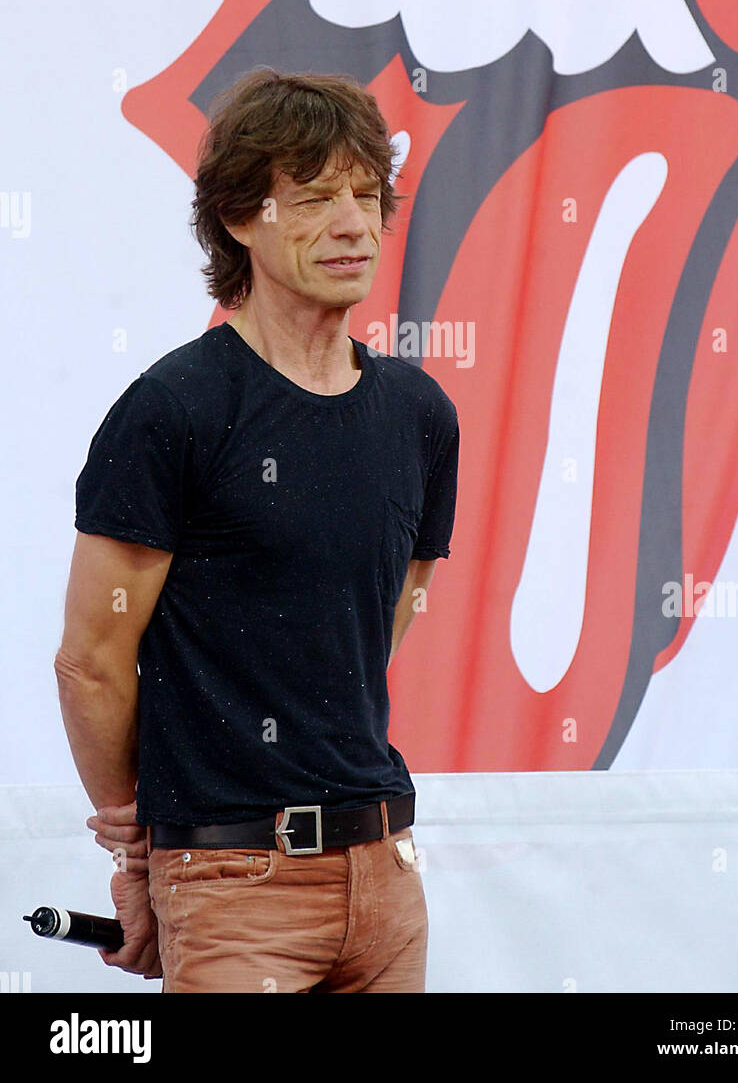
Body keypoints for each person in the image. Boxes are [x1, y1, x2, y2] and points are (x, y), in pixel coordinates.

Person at [55, 68, 459, 993]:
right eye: (314, 198)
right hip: (235, 882)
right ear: (241, 219)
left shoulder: (420, 415)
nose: (354, 224)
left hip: (389, 873)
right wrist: (138, 845)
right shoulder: (174, 409)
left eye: (368, 195)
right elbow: (90, 659)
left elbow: (376, 626)